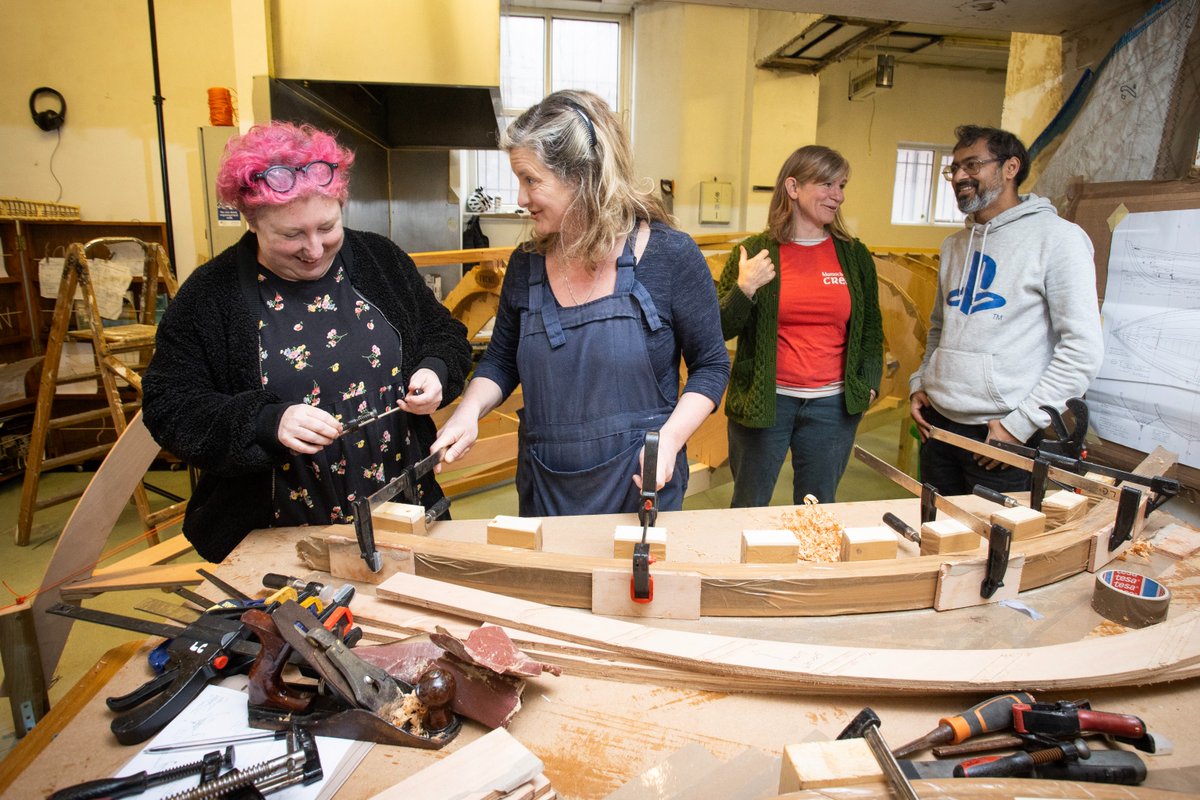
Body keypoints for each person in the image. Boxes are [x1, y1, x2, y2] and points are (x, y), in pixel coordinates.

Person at [142, 121, 471, 562]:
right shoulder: (210, 296)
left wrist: (435, 369)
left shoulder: (380, 260)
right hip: (279, 533)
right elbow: (168, 405)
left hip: (405, 510)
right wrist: (265, 421)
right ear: (252, 220)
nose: (314, 249)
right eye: (291, 235)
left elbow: (443, 333)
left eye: (327, 226)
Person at [431, 90, 729, 516]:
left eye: (531, 180)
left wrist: (669, 441)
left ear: (583, 177)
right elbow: (500, 361)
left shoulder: (670, 256)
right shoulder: (525, 266)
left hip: (640, 483)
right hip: (546, 490)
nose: (520, 198)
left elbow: (712, 366)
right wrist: (468, 412)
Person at [909, 124, 1103, 496]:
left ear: (1011, 167)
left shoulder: (1059, 239)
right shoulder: (954, 245)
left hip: (1001, 433)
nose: (959, 177)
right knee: (936, 536)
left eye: (972, 165)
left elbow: (1081, 349)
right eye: (954, 169)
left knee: (994, 545)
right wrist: (922, 382)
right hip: (937, 425)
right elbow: (939, 328)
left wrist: (1020, 424)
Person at [718, 145, 883, 506]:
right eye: (826, 184)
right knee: (748, 504)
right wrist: (745, 288)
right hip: (766, 402)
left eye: (841, 186)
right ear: (793, 188)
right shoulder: (754, 252)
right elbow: (719, 329)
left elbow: (870, 327)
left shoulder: (853, 256)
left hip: (832, 407)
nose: (837, 196)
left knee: (816, 509)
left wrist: (870, 383)